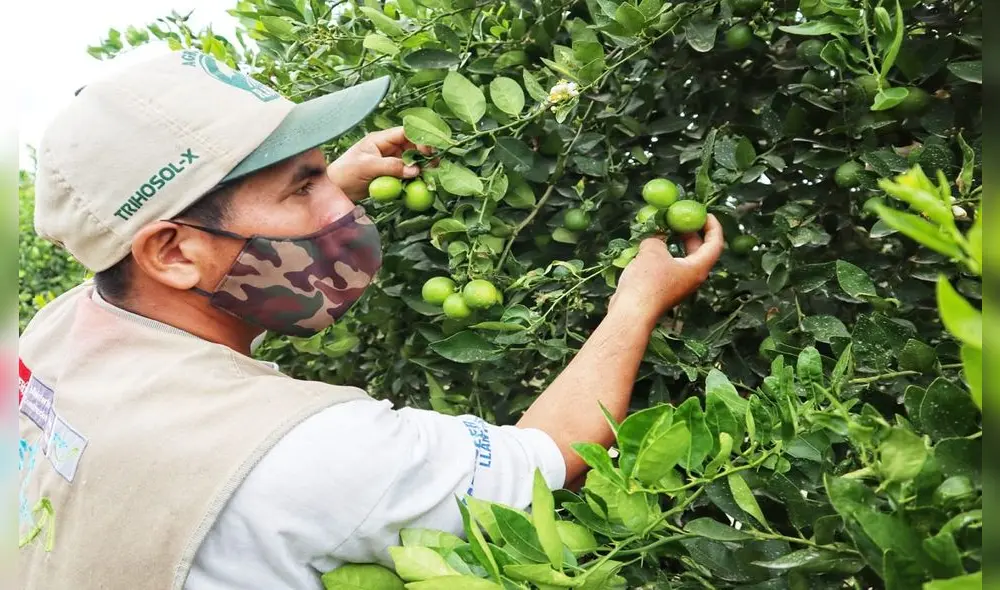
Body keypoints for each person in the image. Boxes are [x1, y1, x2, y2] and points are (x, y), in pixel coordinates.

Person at [17, 49, 724, 589]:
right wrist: (635, 302)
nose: (342, 208)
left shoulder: (57, 333)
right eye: (302, 187)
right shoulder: (311, 452)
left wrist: (319, 185)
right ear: (171, 251)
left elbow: (191, 303)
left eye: (325, 174)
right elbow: (553, 458)